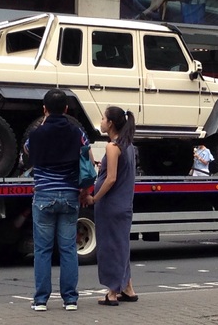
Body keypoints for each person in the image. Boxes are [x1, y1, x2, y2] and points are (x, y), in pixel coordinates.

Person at [28, 89, 86, 312]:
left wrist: (43, 123)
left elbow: (27, 154)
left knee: (42, 250)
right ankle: (70, 300)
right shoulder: (77, 132)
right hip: (70, 195)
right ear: (66, 109)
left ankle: (41, 300)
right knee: (68, 249)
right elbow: (87, 154)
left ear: (44, 109)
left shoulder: (36, 134)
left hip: (43, 196)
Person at [82, 106, 138, 306]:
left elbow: (111, 178)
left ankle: (112, 292)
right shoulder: (128, 146)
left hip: (110, 205)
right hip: (124, 205)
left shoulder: (112, 147)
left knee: (111, 248)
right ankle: (128, 288)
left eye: (104, 118)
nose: (101, 121)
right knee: (122, 246)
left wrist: (94, 198)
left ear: (111, 123)